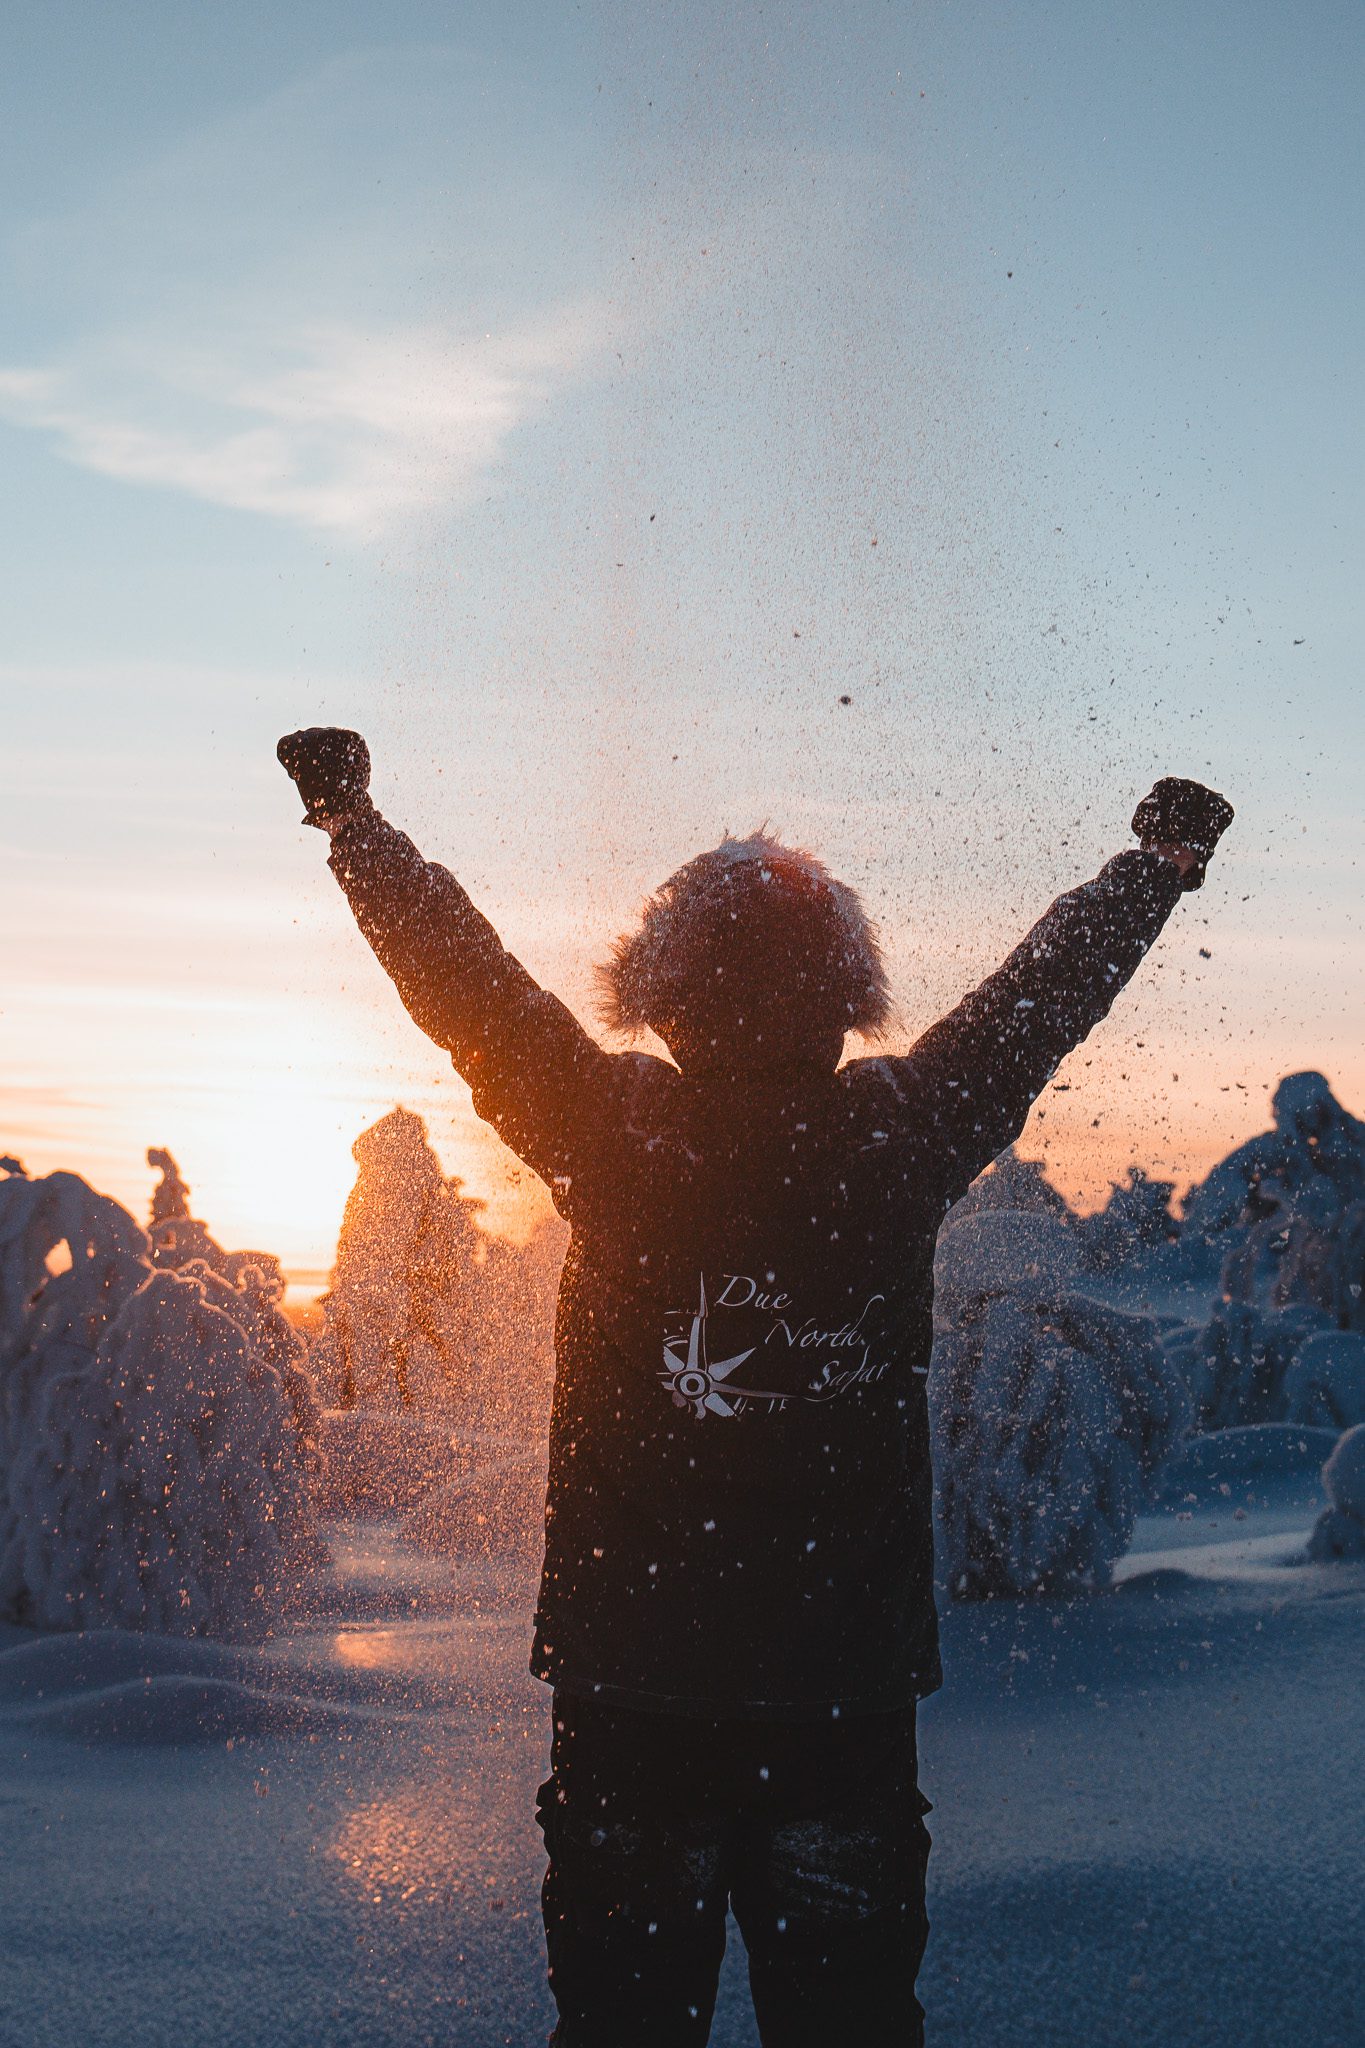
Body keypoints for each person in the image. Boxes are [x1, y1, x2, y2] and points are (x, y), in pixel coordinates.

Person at [277, 729, 1232, 2047]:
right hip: (837, 1704)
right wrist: (1156, 863)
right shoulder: (901, 1127)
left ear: (655, 1002)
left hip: (631, 1699)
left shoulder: (610, 1125)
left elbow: (463, 983)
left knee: (622, 2026)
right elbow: (1042, 993)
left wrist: (351, 822)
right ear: (844, 998)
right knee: (843, 2025)